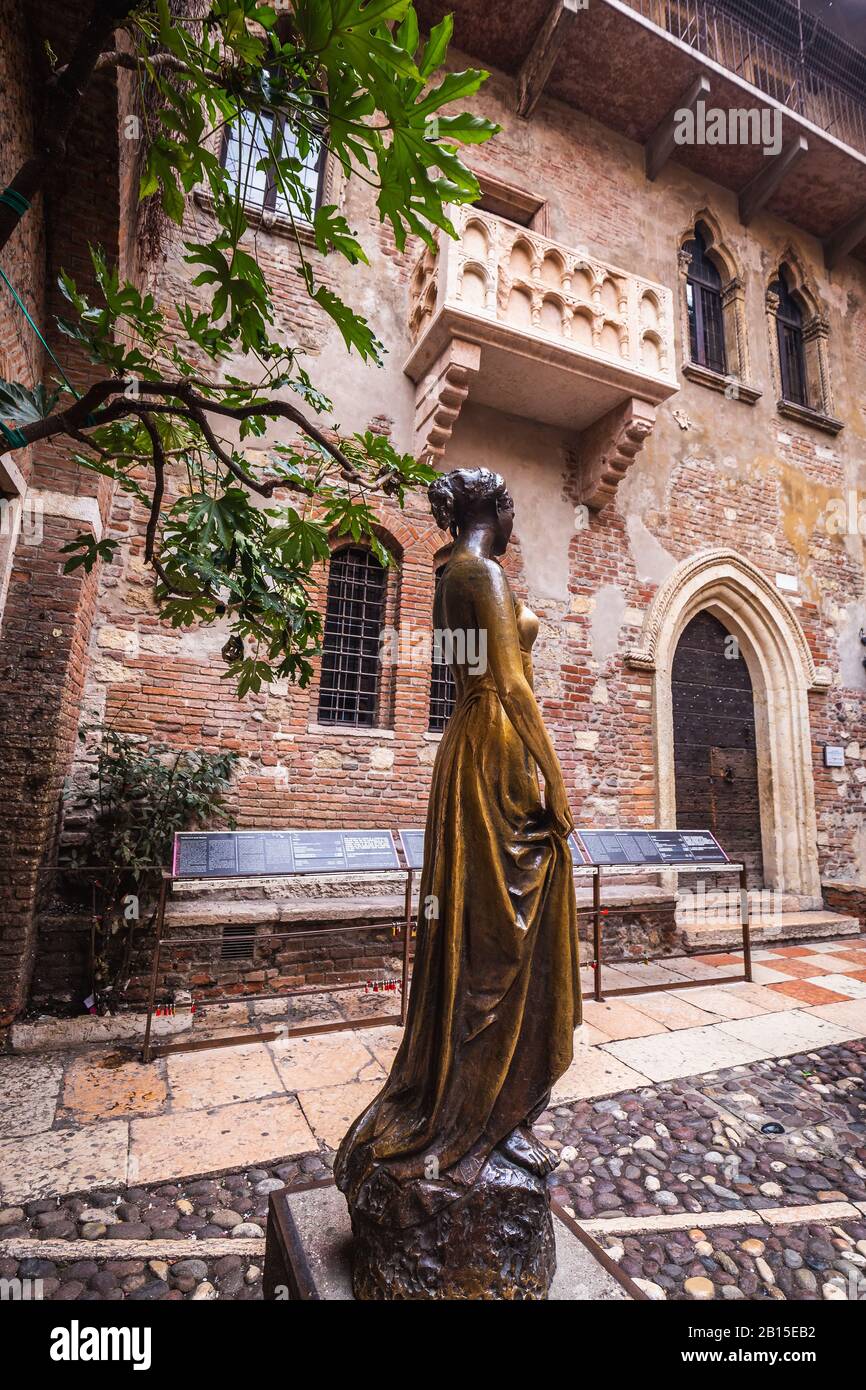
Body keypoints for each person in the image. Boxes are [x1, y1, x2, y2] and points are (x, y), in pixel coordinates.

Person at [335, 467, 581, 1202]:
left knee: (486, 932)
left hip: (472, 748)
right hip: (499, 750)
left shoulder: (453, 575)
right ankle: (477, 1120)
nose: (515, 524)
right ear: (497, 511)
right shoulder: (484, 575)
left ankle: (489, 1112)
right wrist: (556, 785)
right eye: (512, 511)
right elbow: (509, 683)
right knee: (505, 936)